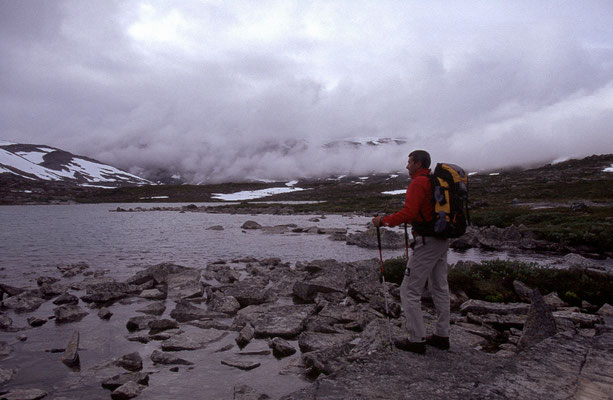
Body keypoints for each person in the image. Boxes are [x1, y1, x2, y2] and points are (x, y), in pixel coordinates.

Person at [372, 150, 450, 354]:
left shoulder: (418, 183)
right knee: (440, 287)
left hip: (427, 242)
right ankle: (442, 335)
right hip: (442, 239)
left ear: (419, 164)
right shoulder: (435, 181)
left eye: (410, 162)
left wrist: (383, 221)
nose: (407, 166)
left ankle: (416, 340)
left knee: (409, 290)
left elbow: (409, 213)